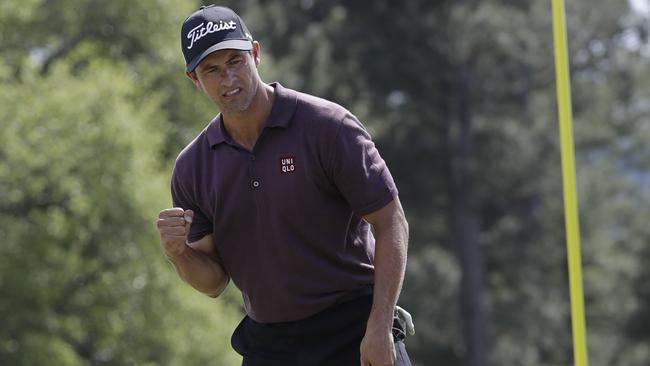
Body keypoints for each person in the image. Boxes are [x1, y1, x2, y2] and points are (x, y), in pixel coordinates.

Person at [156, 4, 412, 365]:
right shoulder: (192, 167)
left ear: (256, 54)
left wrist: (380, 327)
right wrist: (179, 254)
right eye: (212, 70)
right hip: (269, 346)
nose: (228, 79)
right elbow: (213, 282)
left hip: (354, 328)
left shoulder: (327, 126)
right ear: (194, 79)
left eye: (235, 61)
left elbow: (391, 223)